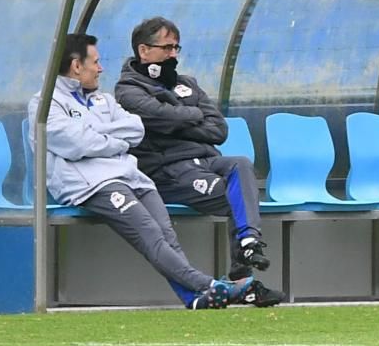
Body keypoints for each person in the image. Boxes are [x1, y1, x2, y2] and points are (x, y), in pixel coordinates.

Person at [29, 33, 262, 310]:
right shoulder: (46, 103)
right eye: (96, 62)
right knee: (150, 233)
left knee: (166, 234)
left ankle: (195, 298)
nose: (101, 68)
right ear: (77, 66)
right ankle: (209, 285)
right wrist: (112, 139)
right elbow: (76, 143)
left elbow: (136, 130)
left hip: (131, 176)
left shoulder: (103, 100)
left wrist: (99, 136)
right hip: (91, 184)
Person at [114, 17, 283, 307]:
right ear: (144, 51)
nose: (173, 55)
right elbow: (158, 117)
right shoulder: (128, 90)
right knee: (238, 198)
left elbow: (218, 129)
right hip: (168, 171)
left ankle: (248, 243)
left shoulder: (187, 83)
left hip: (206, 159)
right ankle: (243, 281)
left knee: (240, 164)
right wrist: (190, 115)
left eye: (176, 48)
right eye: (166, 48)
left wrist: (174, 120)